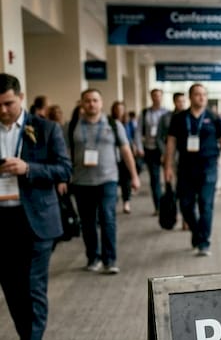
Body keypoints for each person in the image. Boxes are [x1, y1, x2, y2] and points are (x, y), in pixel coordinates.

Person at [0, 73, 71, 340]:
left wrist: (28, 168)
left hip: (36, 220)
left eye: (8, 104)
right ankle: (31, 338)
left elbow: (64, 169)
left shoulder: (45, 129)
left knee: (33, 287)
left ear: (21, 97)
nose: (2, 110)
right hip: (2, 221)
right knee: (12, 291)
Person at [66, 89, 139, 273]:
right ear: (81, 103)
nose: (91, 104)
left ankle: (110, 259)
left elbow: (126, 151)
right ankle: (93, 257)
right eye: (87, 100)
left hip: (108, 179)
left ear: (101, 102)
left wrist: (134, 176)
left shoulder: (114, 125)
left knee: (108, 218)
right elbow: (66, 153)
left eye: (95, 100)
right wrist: (64, 177)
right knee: (88, 222)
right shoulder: (72, 125)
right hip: (81, 181)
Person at [164, 84, 221, 256]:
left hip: (208, 167)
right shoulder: (179, 118)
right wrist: (167, 166)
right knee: (186, 205)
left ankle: (204, 242)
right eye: (197, 94)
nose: (201, 97)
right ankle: (196, 231)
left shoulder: (214, 117)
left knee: (205, 203)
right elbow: (171, 143)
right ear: (190, 97)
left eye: (204, 94)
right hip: (185, 168)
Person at [139, 88, 170, 214]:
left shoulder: (168, 113)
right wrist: (139, 147)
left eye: (159, 96)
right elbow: (138, 131)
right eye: (154, 96)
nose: (156, 98)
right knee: (155, 178)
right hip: (150, 148)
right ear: (151, 97)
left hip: (165, 149)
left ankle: (169, 203)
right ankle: (158, 206)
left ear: (162, 97)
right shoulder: (145, 113)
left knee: (168, 177)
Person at [109, 100, 135, 214]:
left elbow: (132, 136)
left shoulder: (127, 123)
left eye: (121, 109)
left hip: (125, 155)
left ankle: (126, 201)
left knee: (126, 180)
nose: (119, 111)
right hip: (114, 156)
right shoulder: (110, 123)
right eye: (117, 109)